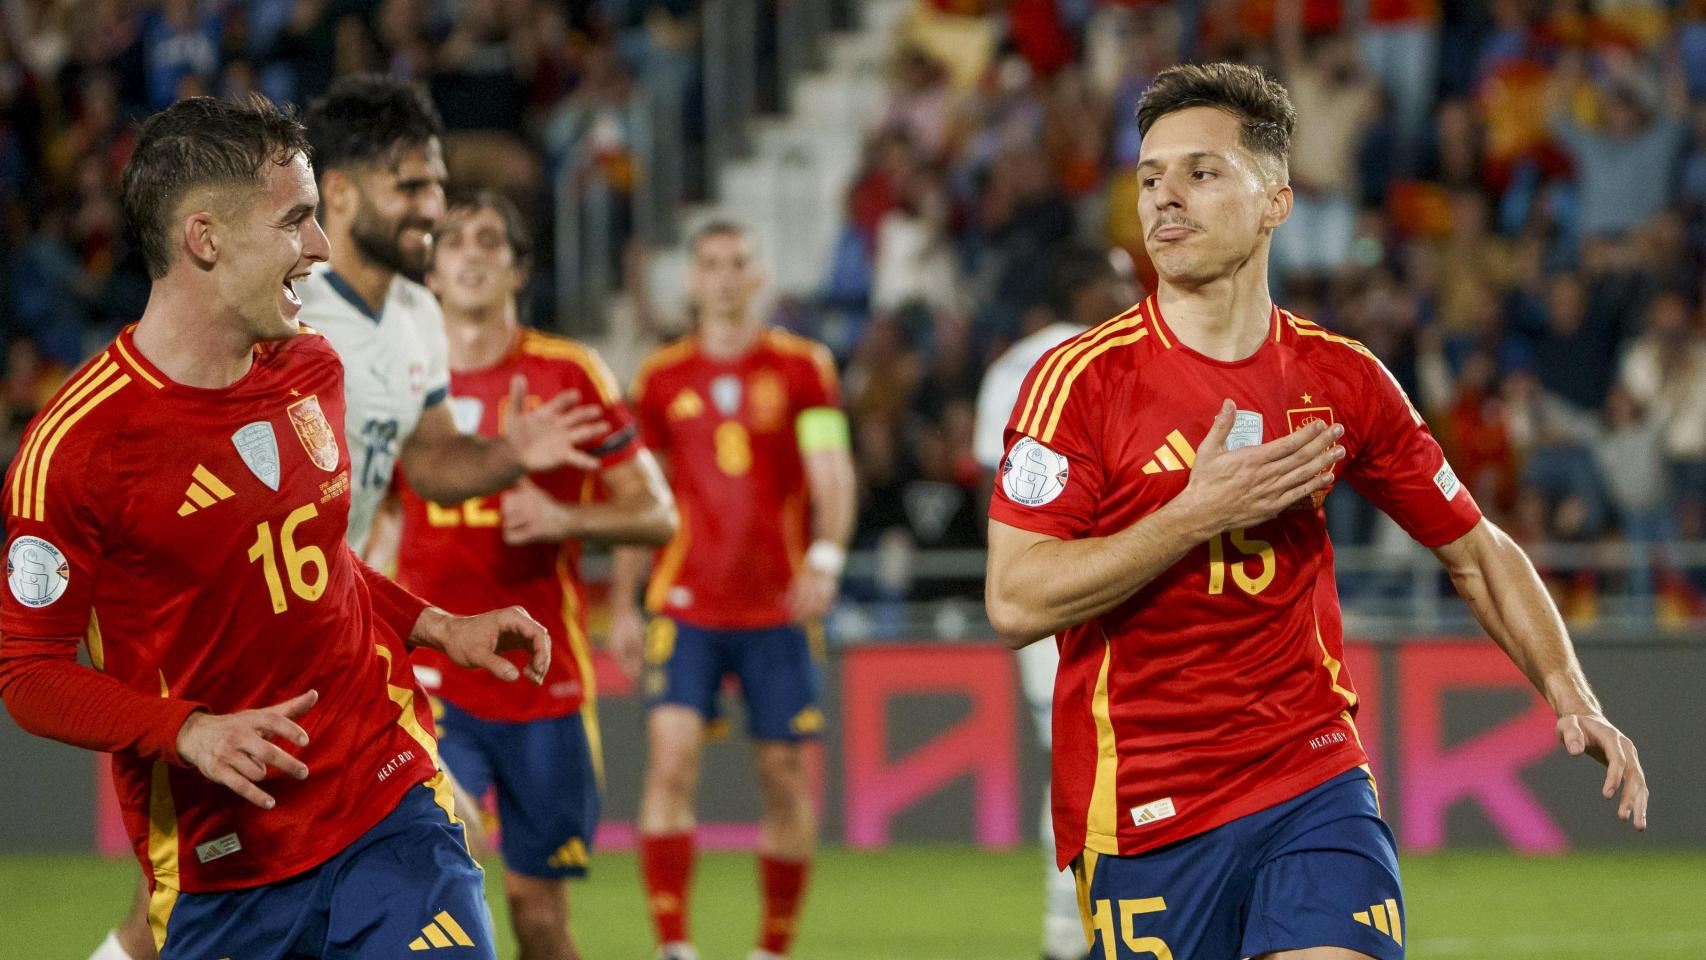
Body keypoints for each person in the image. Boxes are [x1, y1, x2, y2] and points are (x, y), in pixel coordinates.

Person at [984, 63, 1648, 960]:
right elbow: (1017, 600)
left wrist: (1572, 693)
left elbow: (1476, 549)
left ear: (1276, 202)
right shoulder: (1079, 383)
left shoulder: (1342, 379)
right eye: (1149, 177)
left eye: (1201, 171)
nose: (1163, 198)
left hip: (1313, 774)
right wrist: (1190, 513)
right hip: (1147, 807)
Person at [0, 94, 553, 960]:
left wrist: (437, 626)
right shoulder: (77, 448)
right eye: (296, 220)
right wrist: (183, 729)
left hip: (382, 792)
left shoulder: (310, 368)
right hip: (225, 862)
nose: (321, 248)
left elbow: (319, 556)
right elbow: (27, 672)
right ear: (206, 238)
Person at [396, 190, 677, 959]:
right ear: (432, 272)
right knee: (449, 848)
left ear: (518, 269)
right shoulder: (398, 379)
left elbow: (657, 514)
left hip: (538, 679)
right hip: (431, 672)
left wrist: (565, 521)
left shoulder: (570, 373)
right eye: (455, 242)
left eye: (491, 240)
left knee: (541, 917)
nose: (474, 253)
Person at [609, 222, 858, 960]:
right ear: (690, 280)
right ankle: (674, 946)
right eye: (709, 264)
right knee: (671, 758)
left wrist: (828, 555)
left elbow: (832, 472)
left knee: (783, 776)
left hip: (777, 606)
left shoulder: (804, 367)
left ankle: (773, 948)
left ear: (759, 276)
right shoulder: (660, 378)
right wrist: (625, 600)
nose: (723, 277)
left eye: (736, 264)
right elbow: (637, 500)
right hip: (684, 604)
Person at [971, 243, 1136, 960]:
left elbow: (994, 487)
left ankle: (1074, 927)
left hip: (1047, 583)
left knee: (1078, 751)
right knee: (1093, 753)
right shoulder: (1112, 359)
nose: (1134, 291)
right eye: (1121, 281)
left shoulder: (1011, 367)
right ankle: (1073, 926)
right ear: (1087, 288)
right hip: (1107, 588)